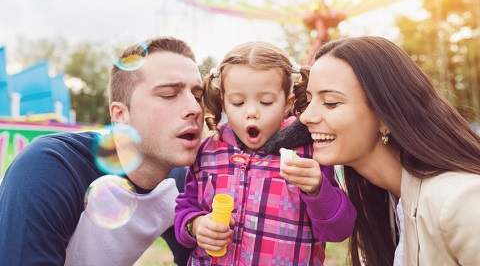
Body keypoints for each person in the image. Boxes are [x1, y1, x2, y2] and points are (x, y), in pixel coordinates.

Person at [0, 37, 203, 265]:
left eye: (198, 96)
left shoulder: (184, 183)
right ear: (120, 115)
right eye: (169, 94)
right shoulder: (47, 168)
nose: (194, 108)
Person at [296, 36, 480, 266]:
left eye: (331, 103)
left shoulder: (458, 201)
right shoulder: (388, 207)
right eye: (309, 100)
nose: (305, 117)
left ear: (386, 117)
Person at [175, 41, 357, 265]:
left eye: (266, 101)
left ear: (287, 103)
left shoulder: (309, 154)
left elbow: (339, 231)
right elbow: (185, 208)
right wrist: (196, 225)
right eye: (238, 102)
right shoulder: (208, 151)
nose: (251, 112)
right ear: (223, 103)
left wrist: (318, 189)